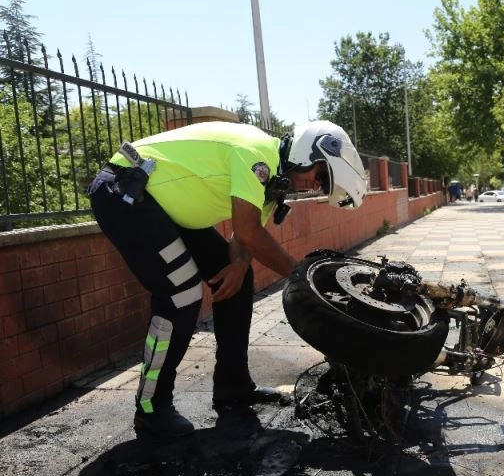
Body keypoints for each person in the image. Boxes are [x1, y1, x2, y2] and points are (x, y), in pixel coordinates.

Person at [88, 120, 368, 437]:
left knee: (238, 276)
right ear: (308, 153)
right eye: (320, 176)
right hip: (125, 193)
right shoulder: (256, 154)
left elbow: (243, 240)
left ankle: (233, 388)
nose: (315, 185)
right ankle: (152, 407)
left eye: (322, 185)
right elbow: (249, 232)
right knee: (181, 291)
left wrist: (239, 263)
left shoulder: (273, 183)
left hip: (161, 206)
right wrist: (302, 277)